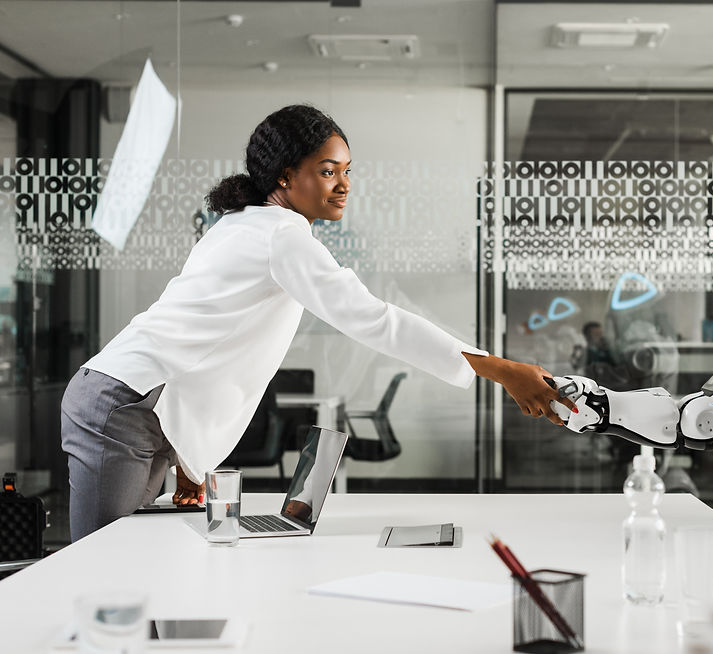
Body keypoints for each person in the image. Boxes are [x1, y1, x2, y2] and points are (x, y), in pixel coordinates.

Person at [61, 104, 576, 542]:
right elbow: (375, 320)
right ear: (286, 176)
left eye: (347, 171)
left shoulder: (245, 224)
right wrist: (503, 369)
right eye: (329, 171)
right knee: (99, 565)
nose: (344, 185)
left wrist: (190, 462)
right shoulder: (281, 236)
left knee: (130, 560)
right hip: (124, 405)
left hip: (137, 404)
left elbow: (209, 346)